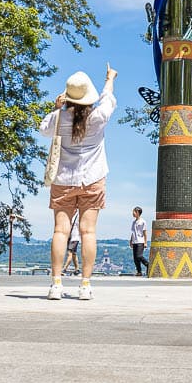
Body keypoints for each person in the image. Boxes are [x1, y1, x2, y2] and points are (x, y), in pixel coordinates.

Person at [39, 64, 117, 301]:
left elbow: (43, 130)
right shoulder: (98, 117)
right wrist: (109, 78)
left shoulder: (58, 117)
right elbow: (108, 99)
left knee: (60, 231)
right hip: (92, 179)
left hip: (63, 180)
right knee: (88, 232)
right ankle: (84, 285)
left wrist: (57, 108)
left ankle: (56, 284)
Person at [129, 207, 148, 276]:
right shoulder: (134, 222)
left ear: (137, 212)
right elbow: (133, 232)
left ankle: (148, 265)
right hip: (134, 241)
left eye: (134, 212)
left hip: (140, 241)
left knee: (139, 256)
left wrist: (145, 242)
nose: (133, 213)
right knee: (135, 258)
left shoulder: (143, 221)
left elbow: (145, 232)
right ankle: (139, 272)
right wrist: (131, 241)